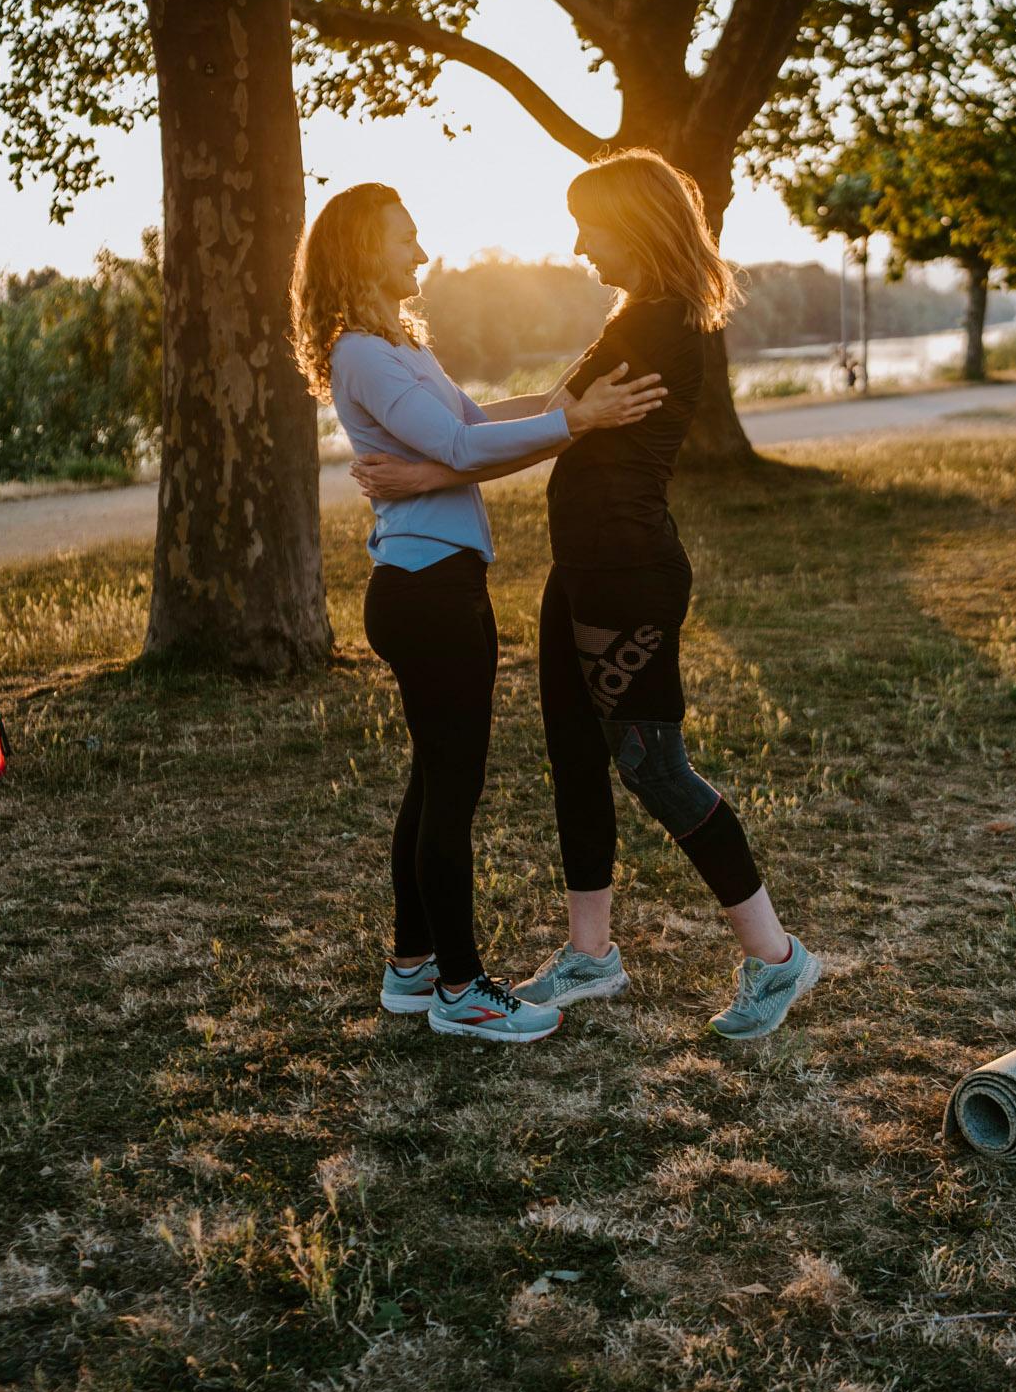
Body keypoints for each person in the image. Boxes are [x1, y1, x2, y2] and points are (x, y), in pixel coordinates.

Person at [352, 150, 821, 1040]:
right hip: (583, 567)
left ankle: (776, 958)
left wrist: (422, 471)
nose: (577, 245)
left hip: (627, 573)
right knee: (573, 755)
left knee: (652, 766)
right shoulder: (635, 319)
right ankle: (590, 956)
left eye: (589, 227)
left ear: (634, 226)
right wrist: (453, 444)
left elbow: (562, 428)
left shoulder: (656, 326)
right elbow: (559, 408)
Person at [290, 182, 665, 1045]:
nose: (419, 253)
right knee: (451, 792)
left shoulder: (396, 347)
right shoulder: (363, 354)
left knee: (433, 786)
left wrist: (567, 399)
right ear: (360, 252)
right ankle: (461, 990)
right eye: (403, 238)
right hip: (425, 592)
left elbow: (472, 424)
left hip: (438, 584)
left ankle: (413, 968)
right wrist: (577, 422)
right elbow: (461, 449)